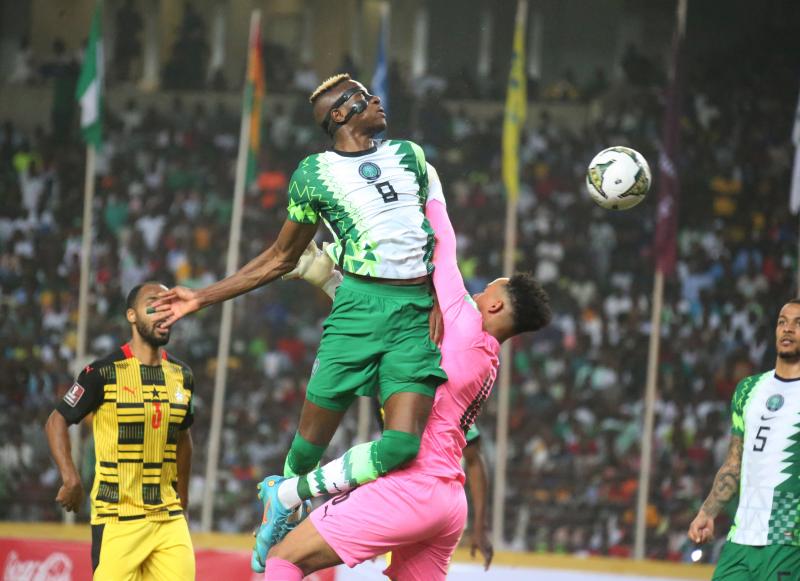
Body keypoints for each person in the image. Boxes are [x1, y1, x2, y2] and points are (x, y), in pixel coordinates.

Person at [152, 73, 448, 554]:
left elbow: (440, 234)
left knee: (402, 446)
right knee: (309, 443)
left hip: (415, 313)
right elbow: (280, 257)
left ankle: (289, 495)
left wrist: (441, 293)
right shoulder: (313, 174)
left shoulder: (410, 156)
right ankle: (283, 511)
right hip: (357, 309)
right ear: (339, 115)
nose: (376, 99)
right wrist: (202, 297)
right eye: (362, 96)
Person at [261, 184, 551, 579]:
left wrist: (428, 182)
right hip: (449, 503)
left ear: (496, 305)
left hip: (410, 486)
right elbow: (390, 329)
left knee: (285, 558)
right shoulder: (486, 359)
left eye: (485, 291)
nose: (477, 294)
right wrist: (331, 283)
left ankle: (291, 498)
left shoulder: (465, 325)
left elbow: (443, 245)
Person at [44, 282, 195, 581]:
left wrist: (183, 502)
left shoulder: (183, 375)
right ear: (131, 315)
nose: (164, 311)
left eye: (168, 304)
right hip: (117, 519)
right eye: (153, 303)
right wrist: (71, 478)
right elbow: (56, 421)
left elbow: (183, 437)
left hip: (168, 519)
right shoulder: (103, 372)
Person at [688, 299, 800, 579]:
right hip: (741, 538)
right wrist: (708, 512)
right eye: (782, 322)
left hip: (787, 539)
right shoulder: (748, 390)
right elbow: (734, 462)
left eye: (798, 323)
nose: (788, 329)